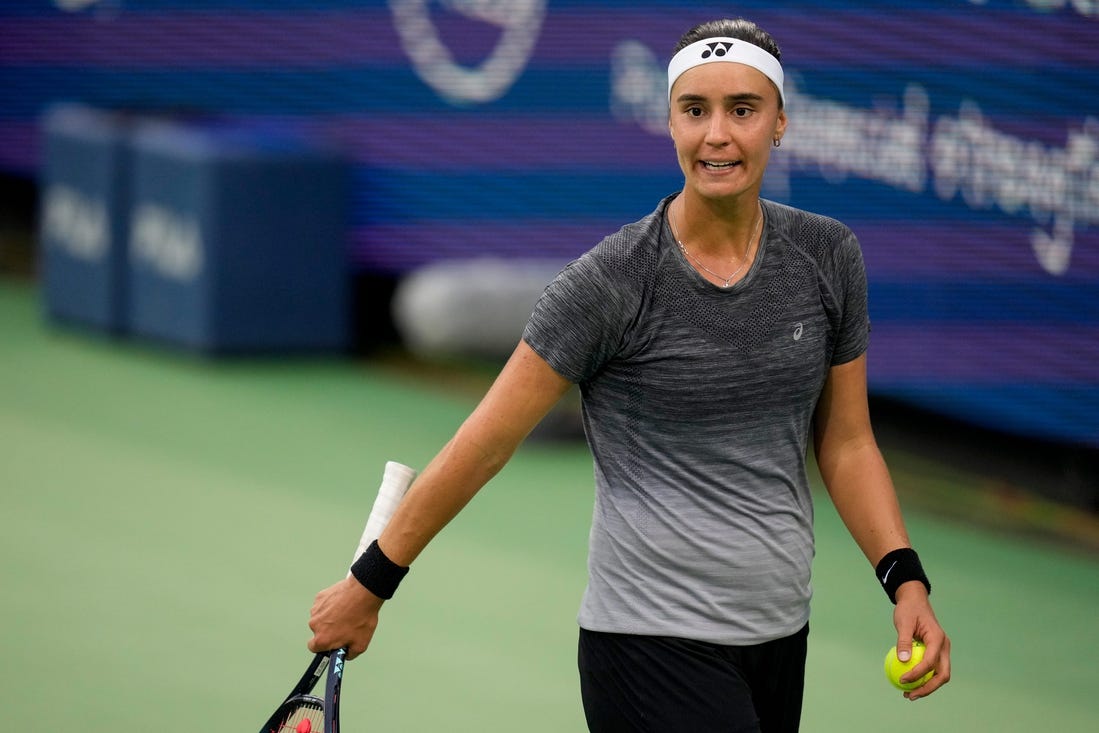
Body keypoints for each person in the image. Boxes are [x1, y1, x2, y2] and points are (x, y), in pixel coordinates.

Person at [308, 17, 951, 732]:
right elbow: (481, 445)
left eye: (742, 109)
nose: (716, 134)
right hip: (647, 644)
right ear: (669, 122)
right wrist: (372, 584)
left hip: (776, 636)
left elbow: (847, 443)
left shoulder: (827, 258)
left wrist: (903, 578)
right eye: (694, 110)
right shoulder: (610, 283)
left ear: (779, 123)